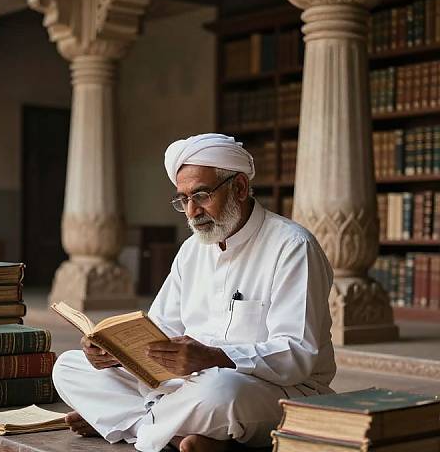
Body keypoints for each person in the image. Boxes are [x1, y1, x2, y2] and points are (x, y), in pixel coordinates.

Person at [52, 133, 336, 452]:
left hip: (272, 390)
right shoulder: (192, 250)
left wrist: (216, 357)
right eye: (183, 200)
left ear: (239, 188)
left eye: (200, 195)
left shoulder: (293, 247)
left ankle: (125, 424)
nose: (191, 211)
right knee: (69, 367)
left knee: (220, 390)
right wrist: (116, 352)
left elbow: (296, 354)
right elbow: (160, 333)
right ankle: (176, 434)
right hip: (184, 385)